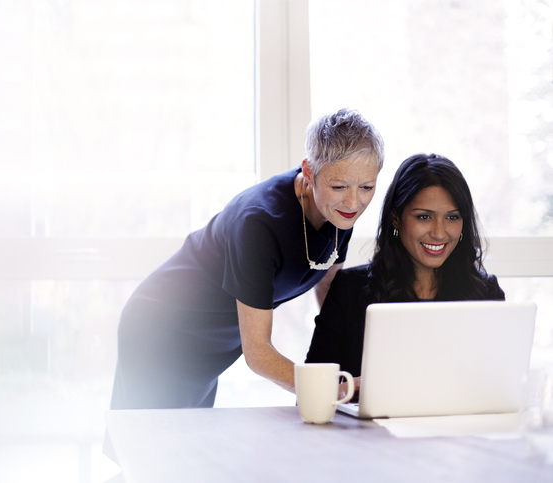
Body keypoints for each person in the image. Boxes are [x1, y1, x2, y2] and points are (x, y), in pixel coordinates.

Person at [109, 108, 385, 410]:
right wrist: (328, 388)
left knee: (187, 449)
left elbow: (328, 288)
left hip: (213, 347)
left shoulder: (340, 209)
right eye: (339, 186)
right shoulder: (259, 224)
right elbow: (258, 352)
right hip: (162, 331)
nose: (354, 201)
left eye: (367, 187)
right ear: (309, 171)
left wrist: (357, 357)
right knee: (156, 451)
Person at [305, 153, 505, 397]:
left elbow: (502, 388)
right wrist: (338, 392)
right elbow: (309, 396)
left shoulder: (486, 293)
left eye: (452, 217)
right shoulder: (350, 290)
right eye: (424, 217)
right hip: (370, 434)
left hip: (460, 433)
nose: (439, 233)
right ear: (396, 218)